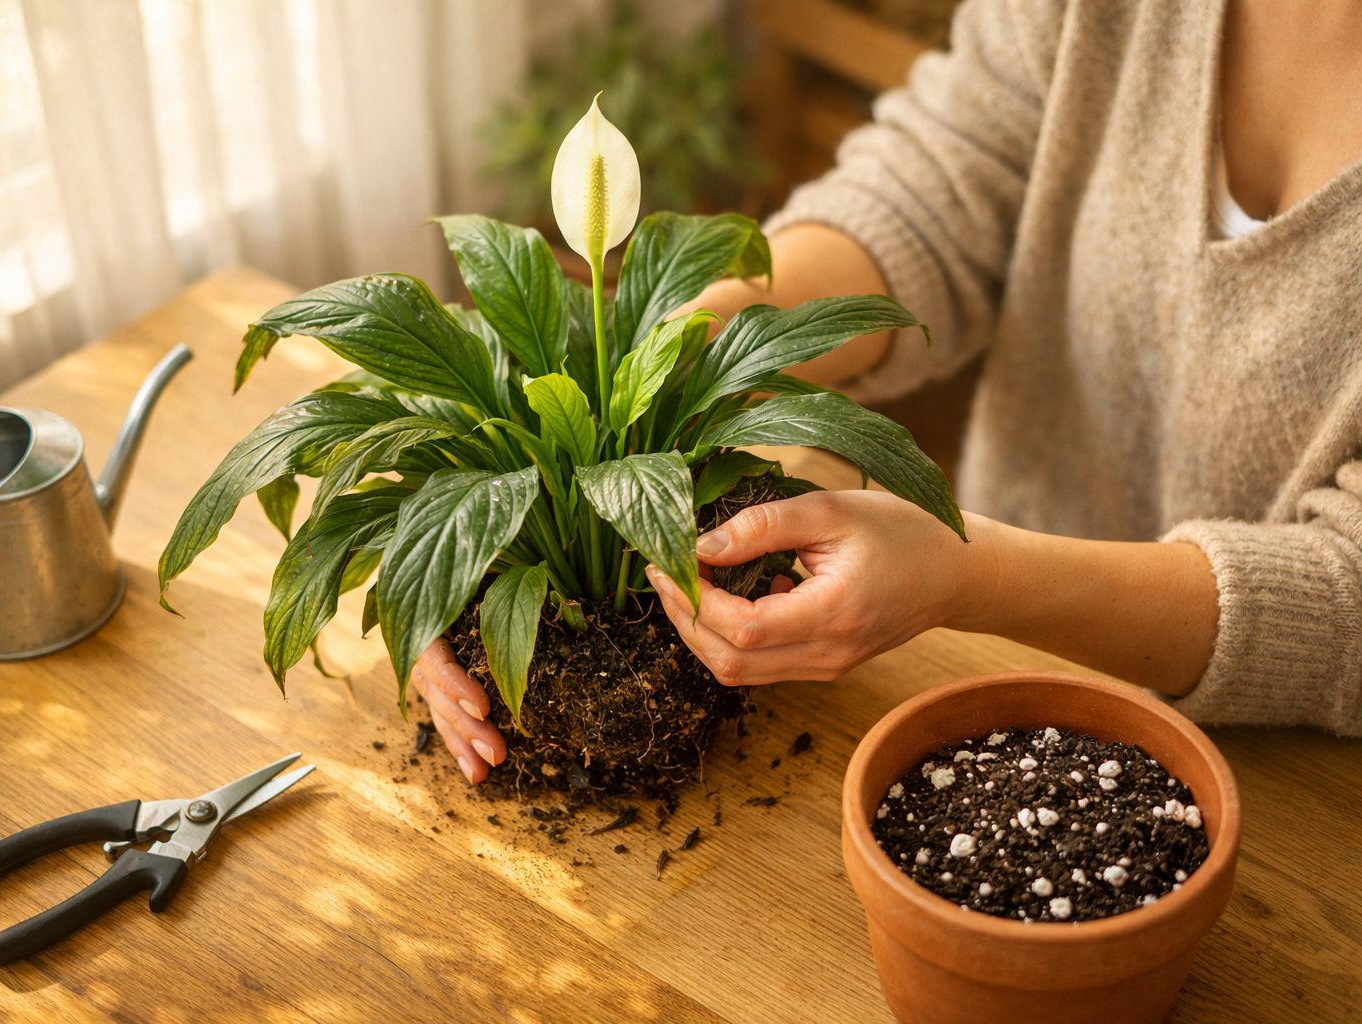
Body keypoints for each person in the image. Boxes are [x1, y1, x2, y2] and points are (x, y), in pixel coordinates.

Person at [415, 0, 1362, 783]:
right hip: (978, 675)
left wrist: (973, 574)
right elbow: (937, 184)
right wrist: (655, 368)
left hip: (1289, 786)